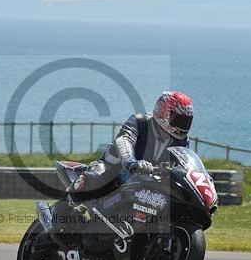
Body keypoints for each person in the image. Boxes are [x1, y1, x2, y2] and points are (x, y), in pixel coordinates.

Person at [37, 90, 194, 234]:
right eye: (180, 119)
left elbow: (182, 160)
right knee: (93, 176)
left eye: (187, 121)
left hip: (146, 179)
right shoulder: (140, 122)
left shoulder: (181, 140)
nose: (183, 125)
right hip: (114, 170)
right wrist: (130, 161)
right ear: (164, 112)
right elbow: (125, 140)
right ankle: (56, 213)